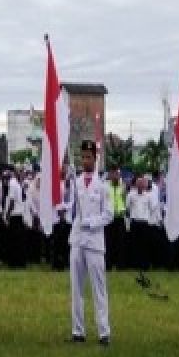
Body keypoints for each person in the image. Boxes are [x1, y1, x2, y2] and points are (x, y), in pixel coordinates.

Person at [67, 141, 112, 345]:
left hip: (94, 241)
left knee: (98, 287)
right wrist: (65, 210)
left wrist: (92, 222)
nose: (85, 160)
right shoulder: (75, 183)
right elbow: (71, 208)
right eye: (82, 157)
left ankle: (103, 331)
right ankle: (78, 330)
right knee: (76, 287)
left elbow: (109, 214)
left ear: (95, 158)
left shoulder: (103, 185)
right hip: (77, 239)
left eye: (88, 157)